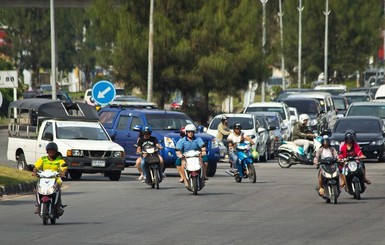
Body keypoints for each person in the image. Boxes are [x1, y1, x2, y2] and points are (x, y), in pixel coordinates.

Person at [32, 142, 67, 214]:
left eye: (53, 150)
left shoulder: (59, 160)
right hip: (44, 178)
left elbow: (64, 168)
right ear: (47, 151)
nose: (51, 152)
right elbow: (36, 167)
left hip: (55, 178)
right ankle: (38, 206)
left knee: (57, 188)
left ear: (56, 151)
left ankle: (58, 206)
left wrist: (63, 173)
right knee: (37, 189)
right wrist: (35, 172)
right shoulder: (43, 159)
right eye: (49, 150)